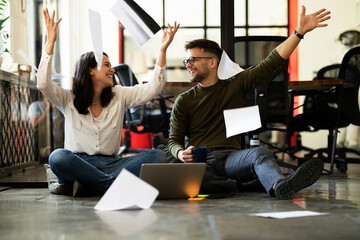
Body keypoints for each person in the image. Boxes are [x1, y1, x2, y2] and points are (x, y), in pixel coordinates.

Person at [168, 6, 331, 200]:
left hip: (231, 158)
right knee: (184, 176)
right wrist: (180, 153)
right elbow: (173, 141)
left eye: (193, 59)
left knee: (259, 153)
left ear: (212, 62)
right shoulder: (184, 100)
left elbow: (271, 62)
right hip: (201, 162)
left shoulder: (235, 85)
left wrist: (299, 32)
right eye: (187, 60)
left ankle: (278, 185)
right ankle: (243, 185)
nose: (188, 64)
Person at [39, 8, 179, 196]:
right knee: (58, 157)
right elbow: (43, 83)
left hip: (112, 164)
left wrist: (162, 51)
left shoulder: (119, 95)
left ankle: (91, 185)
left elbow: (153, 88)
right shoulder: (68, 98)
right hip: (79, 164)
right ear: (90, 70)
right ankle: (110, 186)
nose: (112, 70)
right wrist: (50, 42)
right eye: (106, 65)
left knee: (158, 155)